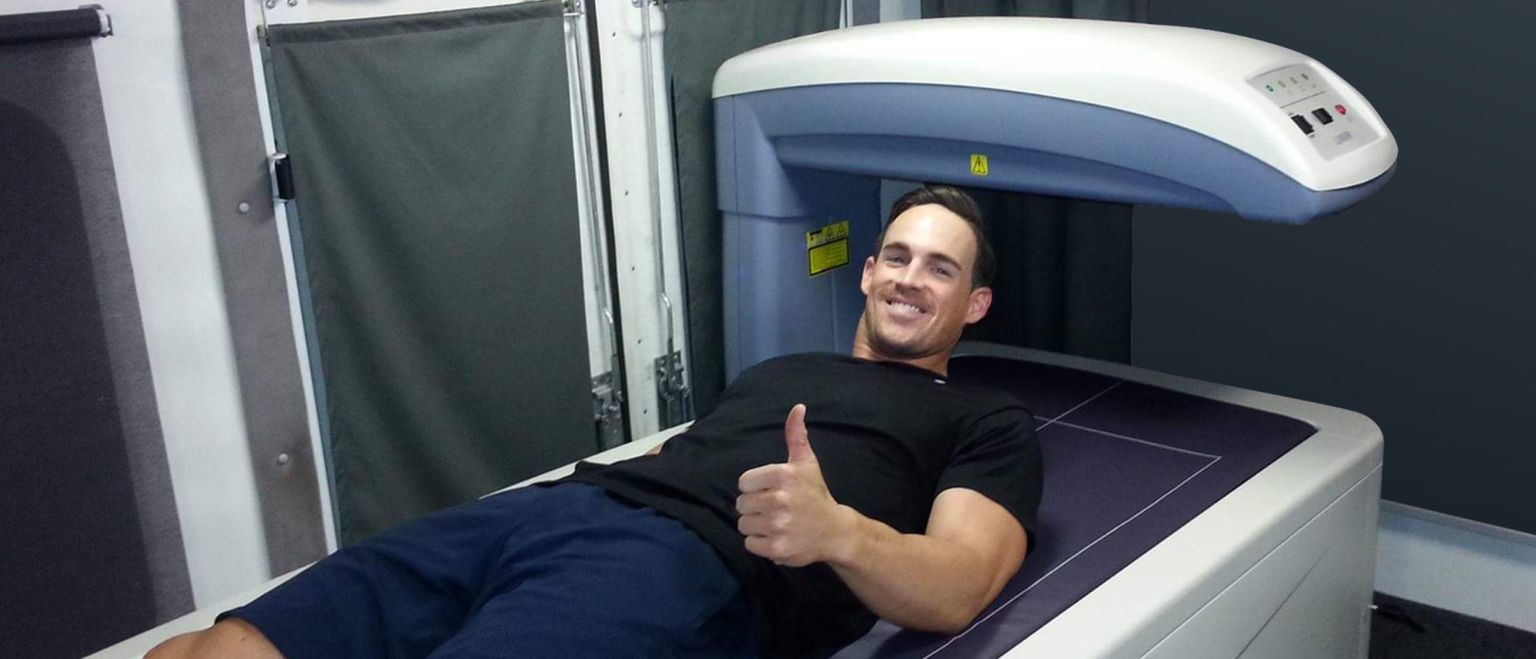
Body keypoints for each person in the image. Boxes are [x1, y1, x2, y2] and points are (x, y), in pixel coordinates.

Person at [148, 185, 1042, 659]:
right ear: (866, 271)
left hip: (692, 565)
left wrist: (838, 531)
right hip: (551, 511)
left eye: (939, 269)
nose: (907, 278)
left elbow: (960, 583)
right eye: (896, 254)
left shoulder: (984, 419)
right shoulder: (778, 370)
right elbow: (679, 452)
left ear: (975, 304)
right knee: (207, 648)